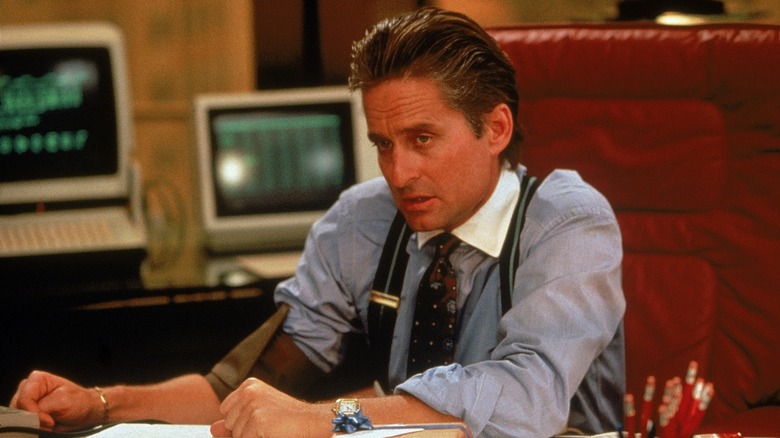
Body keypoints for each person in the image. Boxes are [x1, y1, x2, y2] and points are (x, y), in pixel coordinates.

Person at [10, 7, 625, 437]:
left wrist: (322, 420)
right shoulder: (361, 222)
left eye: (422, 138)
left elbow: (525, 402)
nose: (399, 171)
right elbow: (243, 387)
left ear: (495, 129)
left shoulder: (567, 222)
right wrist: (101, 403)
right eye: (383, 143)